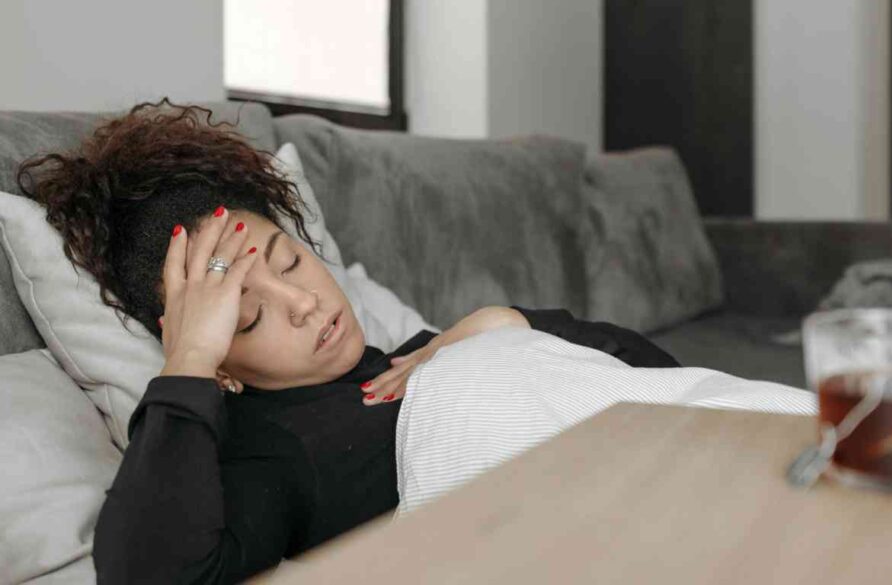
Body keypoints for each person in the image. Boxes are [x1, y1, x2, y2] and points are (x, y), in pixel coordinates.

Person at [18, 100, 680, 584]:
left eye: (289, 263)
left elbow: (659, 377)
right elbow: (146, 575)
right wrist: (187, 360)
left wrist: (505, 323)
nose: (306, 303)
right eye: (248, 319)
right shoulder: (274, 452)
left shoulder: (427, 347)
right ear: (222, 362)